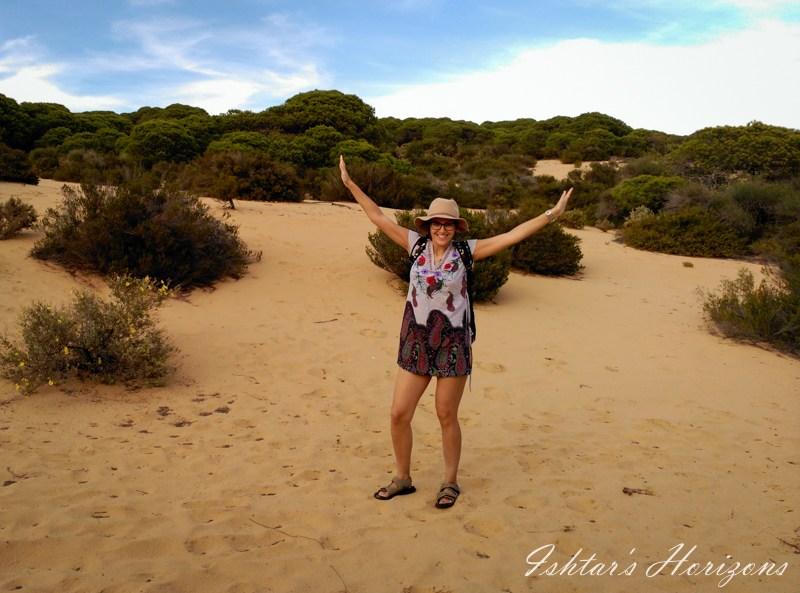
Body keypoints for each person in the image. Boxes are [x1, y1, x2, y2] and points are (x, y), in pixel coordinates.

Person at [339, 155, 573, 509]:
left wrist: (552, 214)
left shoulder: (467, 250)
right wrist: (350, 184)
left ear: (456, 227)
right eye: (436, 223)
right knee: (398, 413)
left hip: (452, 344)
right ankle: (402, 478)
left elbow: (512, 235)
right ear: (428, 224)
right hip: (415, 340)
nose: (442, 229)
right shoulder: (414, 244)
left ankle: (449, 482)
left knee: (446, 414)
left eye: (448, 224)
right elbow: (377, 216)